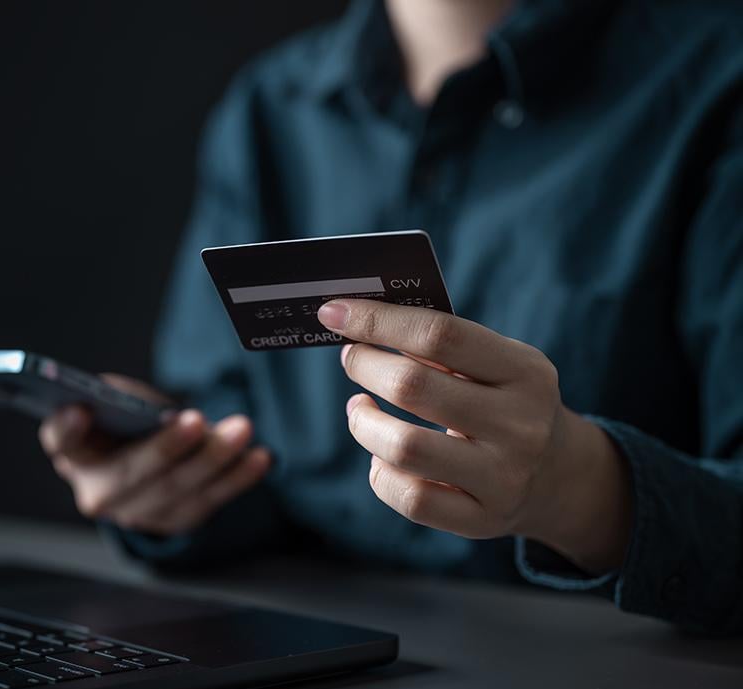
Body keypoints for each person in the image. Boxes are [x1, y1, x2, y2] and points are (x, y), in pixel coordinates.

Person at [39, 0, 743, 633]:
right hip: (293, 660)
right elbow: (243, 464)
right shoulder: (269, 110)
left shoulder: (718, 81)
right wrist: (169, 485)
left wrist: (579, 492)